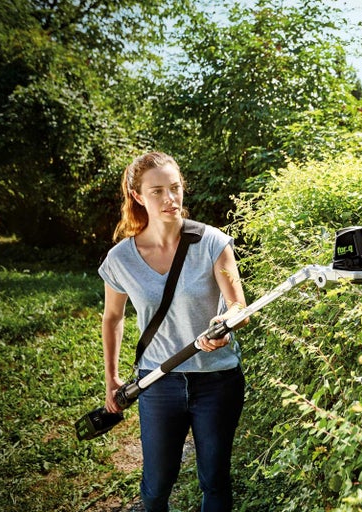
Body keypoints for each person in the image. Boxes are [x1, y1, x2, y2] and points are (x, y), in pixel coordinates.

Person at [98, 151, 247, 511]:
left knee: (214, 481)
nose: (170, 200)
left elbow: (238, 308)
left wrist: (225, 327)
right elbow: (113, 317)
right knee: (156, 483)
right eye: (158, 191)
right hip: (157, 381)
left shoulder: (213, 243)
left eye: (176, 188)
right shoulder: (121, 259)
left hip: (216, 380)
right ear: (137, 196)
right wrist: (112, 377)